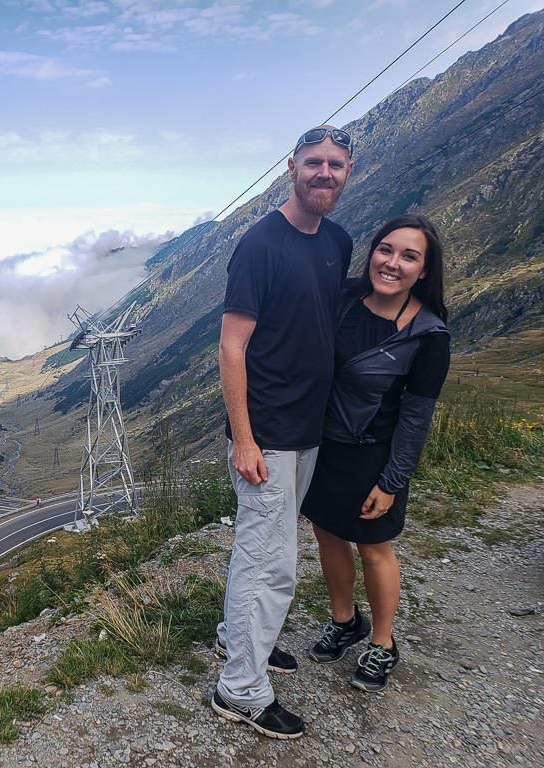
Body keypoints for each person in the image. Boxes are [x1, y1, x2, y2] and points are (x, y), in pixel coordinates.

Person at [211, 126, 355, 740]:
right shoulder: (260, 245)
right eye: (314, 162)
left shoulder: (339, 241)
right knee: (271, 565)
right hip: (267, 434)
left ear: (348, 173)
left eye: (337, 165)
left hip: (309, 430)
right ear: (290, 167)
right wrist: (244, 439)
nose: (325, 173)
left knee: (265, 552)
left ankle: (236, 640)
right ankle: (240, 690)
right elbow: (232, 345)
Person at [301, 213, 450, 693]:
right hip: (324, 447)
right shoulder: (344, 298)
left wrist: (391, 482)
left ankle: (382, 643)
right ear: (373, 253)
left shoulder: (428, 337)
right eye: (386, 250)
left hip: (373, 456)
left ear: (424, 271)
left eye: (410, 256)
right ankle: (345, 621)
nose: (392, 263)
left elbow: (415, 417)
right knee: (327, 535)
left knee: (375, 548)